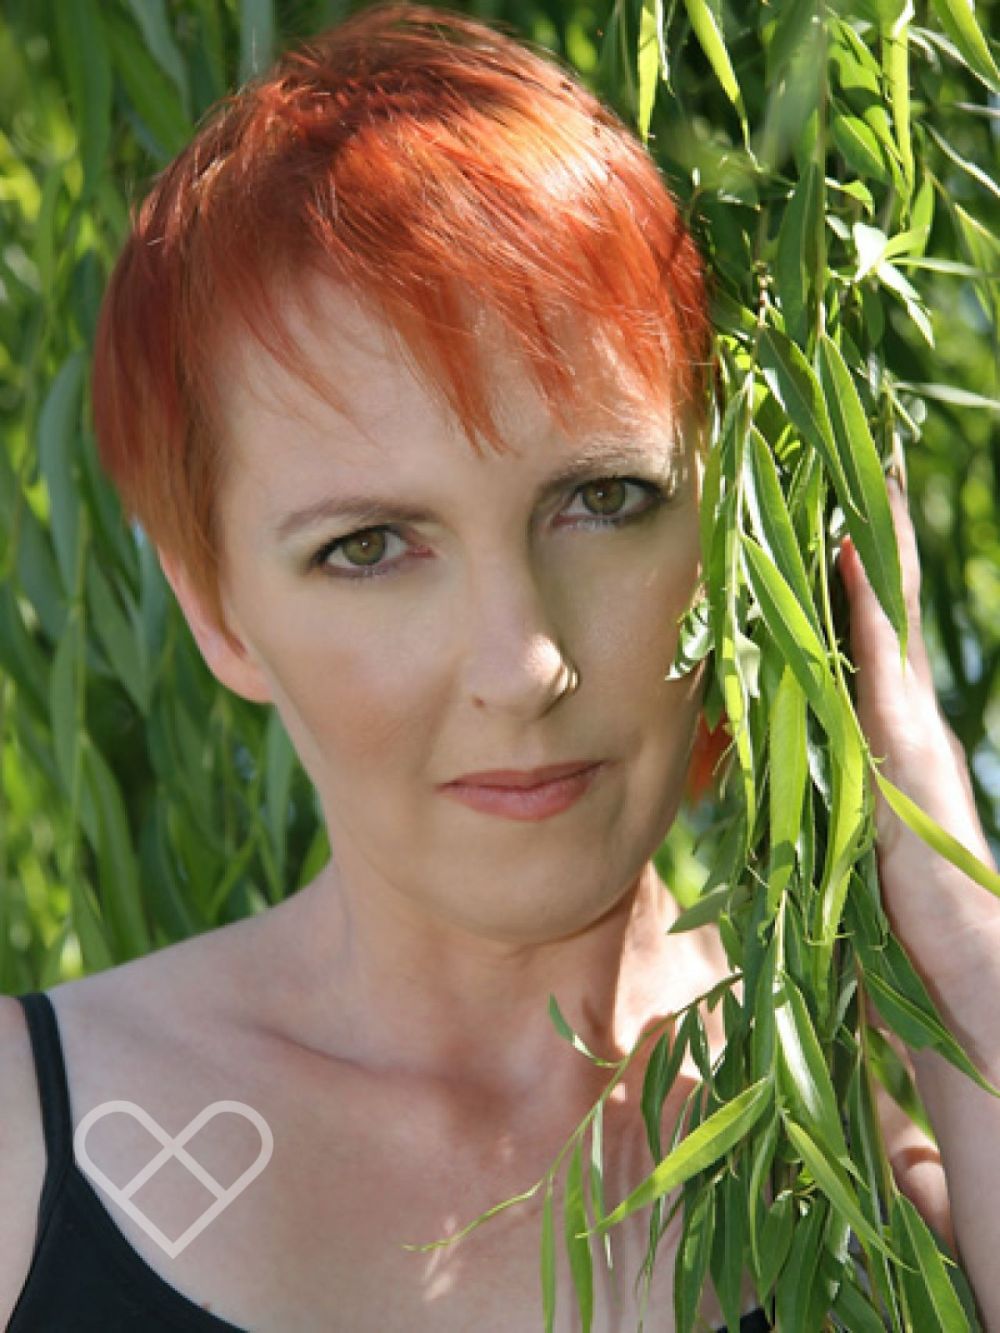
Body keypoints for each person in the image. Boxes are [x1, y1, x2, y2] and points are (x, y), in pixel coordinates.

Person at [2, 4, 999, 1329]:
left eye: (603, 500)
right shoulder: (23, 1147)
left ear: (736, 531)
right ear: (219, 612)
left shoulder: (901, 1155)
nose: (523, 666)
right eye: (368, 547)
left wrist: (964, 957)